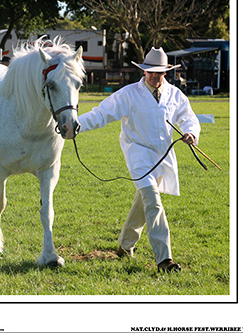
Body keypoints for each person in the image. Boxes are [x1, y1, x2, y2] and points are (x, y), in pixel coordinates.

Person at [78, 47, 201, 273]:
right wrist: (76, 125)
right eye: (151, 72)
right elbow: (101, 113)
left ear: (166, 73)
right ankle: (165, 259)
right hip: (138, 155)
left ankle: (125, 246)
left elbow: (188, 117)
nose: (155, 76)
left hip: (162, 157)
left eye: (160, 73)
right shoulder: (128, 94)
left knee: (143, 204)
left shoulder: (175, 94)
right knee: (153, 201)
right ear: (144, 71)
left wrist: (191, 132)